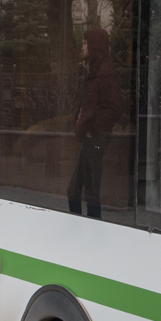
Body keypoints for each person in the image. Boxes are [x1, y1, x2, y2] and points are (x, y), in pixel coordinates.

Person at [66, 27, 120, 220]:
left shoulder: (104, 73)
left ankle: (91, 233)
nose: (82, 47)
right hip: (89, 138)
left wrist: (93, 130)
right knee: (75, 191)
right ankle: (82, 231)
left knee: (89, 192)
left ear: (94, 46)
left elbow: (113, 108)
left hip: (95, 139)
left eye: (85, 43)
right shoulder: (95, 71)